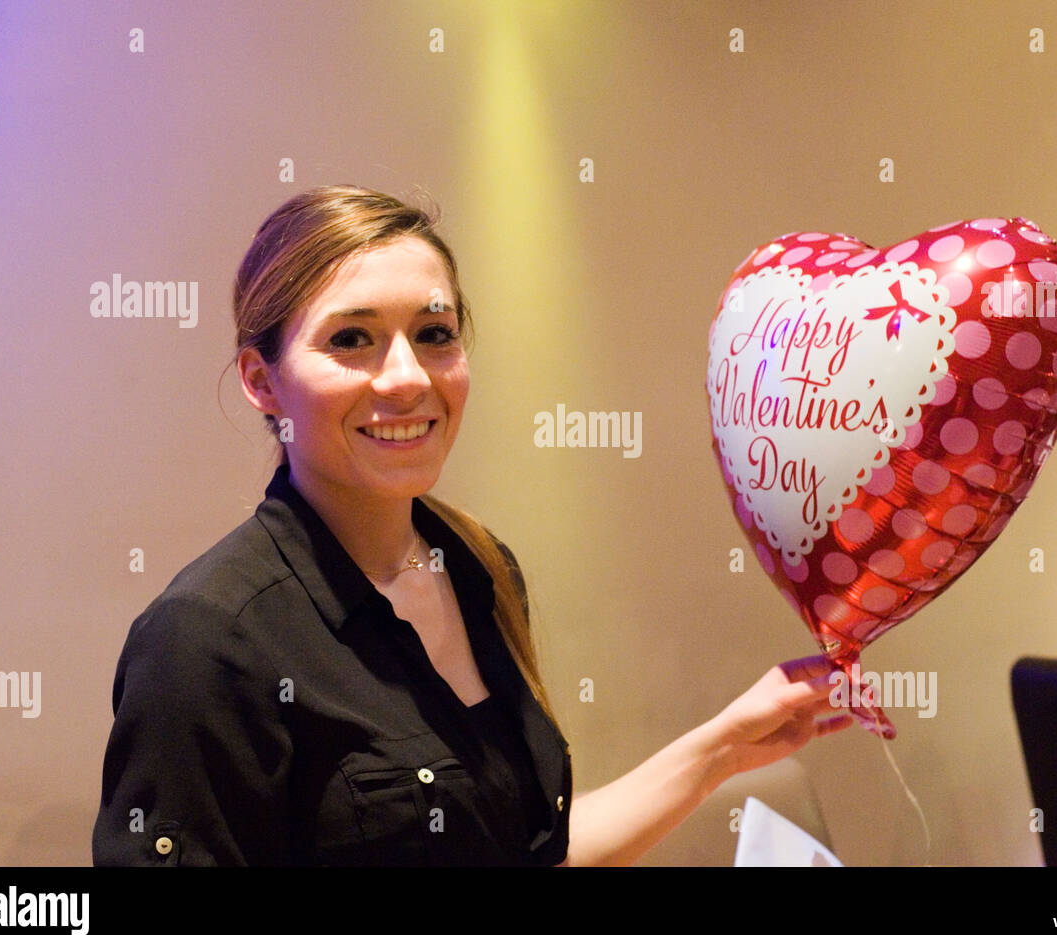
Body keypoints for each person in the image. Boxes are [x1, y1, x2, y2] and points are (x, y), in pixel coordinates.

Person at [91, 184, 852, 867]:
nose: (408, 378)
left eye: (434, 334)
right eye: (351, 339)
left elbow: (526, 852)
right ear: (264, 382)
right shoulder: (207, 641)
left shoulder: (479, 568)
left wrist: (722, 748)